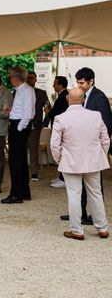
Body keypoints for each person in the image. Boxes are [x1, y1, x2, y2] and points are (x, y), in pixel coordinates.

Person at [50, 88, 109, 240]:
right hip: (93, 161)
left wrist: (59, 159)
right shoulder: (95, 115)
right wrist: (100, 154)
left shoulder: (61, 118)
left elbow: (54, 145)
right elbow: (105, 139)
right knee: (96, 193)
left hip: (71, 162)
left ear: (68, 98)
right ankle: (102, 228)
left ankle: (77, 230)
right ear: (83, 99)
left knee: (74, 195)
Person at [59, 67, 112, 224]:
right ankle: (79, 213)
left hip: (92, 150)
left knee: (95, 187)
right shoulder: (81, 96)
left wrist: (101, 151)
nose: (79, 85)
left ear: (91, 81)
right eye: (77, 82)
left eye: (82, 83)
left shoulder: (99, 97)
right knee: (80, 185)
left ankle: (94, 217)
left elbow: (107, 125)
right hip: (80, 149)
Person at [1, 66, 35, 204]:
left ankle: (16, 194)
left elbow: (28, 113)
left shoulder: (26, 90)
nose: (10, 79)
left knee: (15, 160)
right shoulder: (21, 91)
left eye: (10, 77)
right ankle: (24, 191)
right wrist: (12, 111)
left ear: (15, 77)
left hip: (19, 126)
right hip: (17, 123)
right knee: (19, 160)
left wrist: (19, 128)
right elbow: (23, 110)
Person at [45, 76, 69, 188]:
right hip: (59, 127)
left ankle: (64, 178)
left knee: (62, 153)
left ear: (60, 85)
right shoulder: (62, 95)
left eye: (54, 83)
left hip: (62, 129)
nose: (53, 85)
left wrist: (48, 112)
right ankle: (61, 176)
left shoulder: (64, 96)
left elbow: (58, 113)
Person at [26, 71, 49, 181]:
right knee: (21, 149)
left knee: (34, 150)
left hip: (35, 126)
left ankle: (34, 173)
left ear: (35, 79)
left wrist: (45, 123)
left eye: (31, 78)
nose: (29, 79)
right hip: (21, 126)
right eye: (27, 78)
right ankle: (22, 171)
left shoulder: (42, 93)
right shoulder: (18, 92)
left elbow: (48, 109)